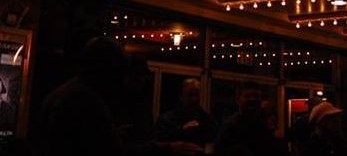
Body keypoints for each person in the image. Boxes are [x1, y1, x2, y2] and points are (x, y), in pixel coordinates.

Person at [36, 36, 202, 156]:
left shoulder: (61, 94)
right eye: (117, 72)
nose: (119, 81)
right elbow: (112, 150)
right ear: (105, 70)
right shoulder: (87, 101)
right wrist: (169, 148)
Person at [213, 81, 284, 156]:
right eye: (247, 96)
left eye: (256, 96)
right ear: (237, 100)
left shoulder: (264, 125)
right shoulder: (230, 127)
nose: (252, 99)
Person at [154, 78, 218, 151]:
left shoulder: (206, 119)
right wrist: (182, 131)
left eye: (196, 95)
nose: (194, 99)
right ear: (181, 97)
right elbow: (159, 142)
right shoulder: (167, 119)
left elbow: (215, 138)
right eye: (190, 95)